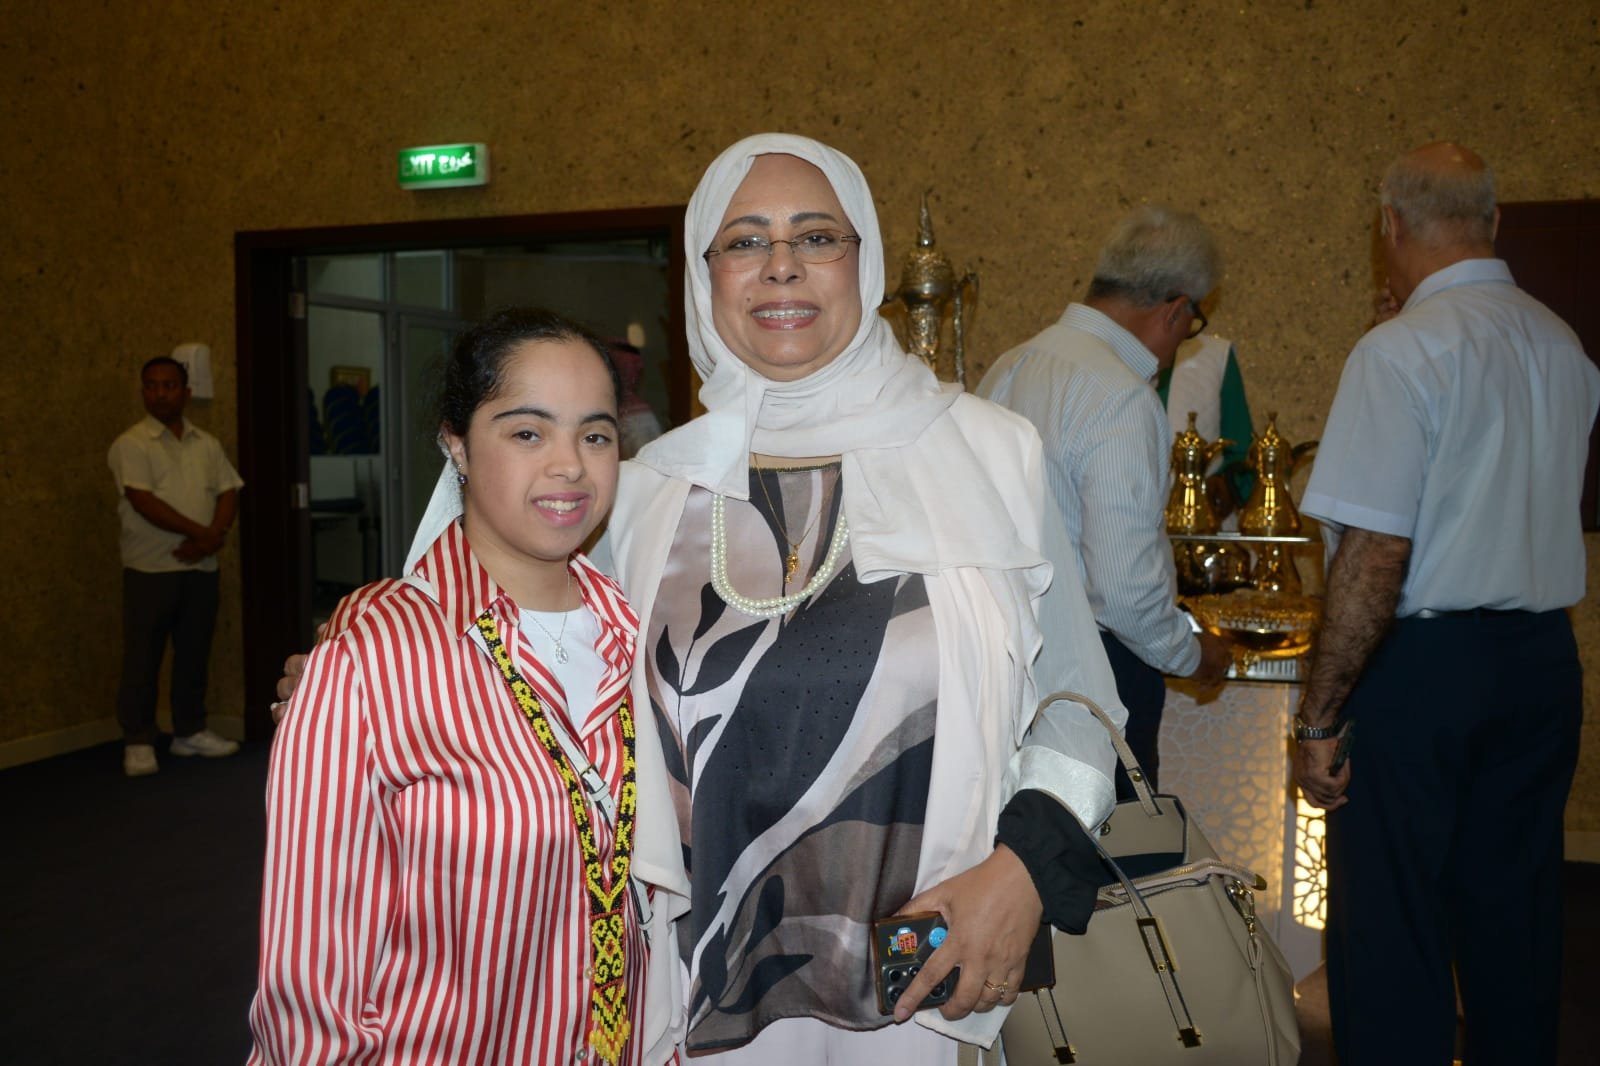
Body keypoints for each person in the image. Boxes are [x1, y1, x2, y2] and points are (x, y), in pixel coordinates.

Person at [284, 135, 1128, 1062]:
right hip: (695, 988)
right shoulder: (643, 488)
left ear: (865, 261)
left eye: (817, 237)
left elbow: (1080, 708)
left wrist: (1025, 872)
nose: (781, 266)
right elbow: (513, 638)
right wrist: (351, 676)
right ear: (704, 272)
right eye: (745, 241)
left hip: (920, 980)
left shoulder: (993, 455)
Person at [249, 310, 686, 1066]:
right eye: (528, 433)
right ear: (456, 444)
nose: (569, 466)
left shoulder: (637, 633)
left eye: (595, 435)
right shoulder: (370, 661)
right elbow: (309, 989)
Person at [1293, 142, 1599, 1065]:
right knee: (1518, 919)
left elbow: (1376, 556)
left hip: (1424, 672)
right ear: (1492, 221)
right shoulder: (1563, 344)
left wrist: (1320, 715)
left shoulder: (1398, 353)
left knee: (1392, 929)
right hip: (1541, 662)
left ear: (1388, 225)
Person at [977, 206, 1233, 798]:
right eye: (1191, 323)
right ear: (1175, 310)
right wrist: (1192, 654)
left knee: (1016, 843)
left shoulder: (1009, 367)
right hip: (1097, 674)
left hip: (1001, 662)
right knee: (1112, 850)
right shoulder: (1120, 395)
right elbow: (1122, 591)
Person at [109, 355, 243, 777]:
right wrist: (203, 535)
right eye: (151, 385)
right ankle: (138, 739)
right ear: (143, 392)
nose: (159, 393)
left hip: (200, 570)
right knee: (142, 659)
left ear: (185, 392)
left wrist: (212, 537)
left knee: (193, 654)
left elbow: (228, 490)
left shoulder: (207, 443)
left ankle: (189, 731)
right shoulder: (131, 443)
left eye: (168, 385)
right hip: (150, 570)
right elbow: (142, 500)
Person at [1159, 332, 1254, 519]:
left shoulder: (1214, 355)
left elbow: (1240, 448)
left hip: (1199, 522)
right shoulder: (1107, 354)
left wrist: (1227, 483)